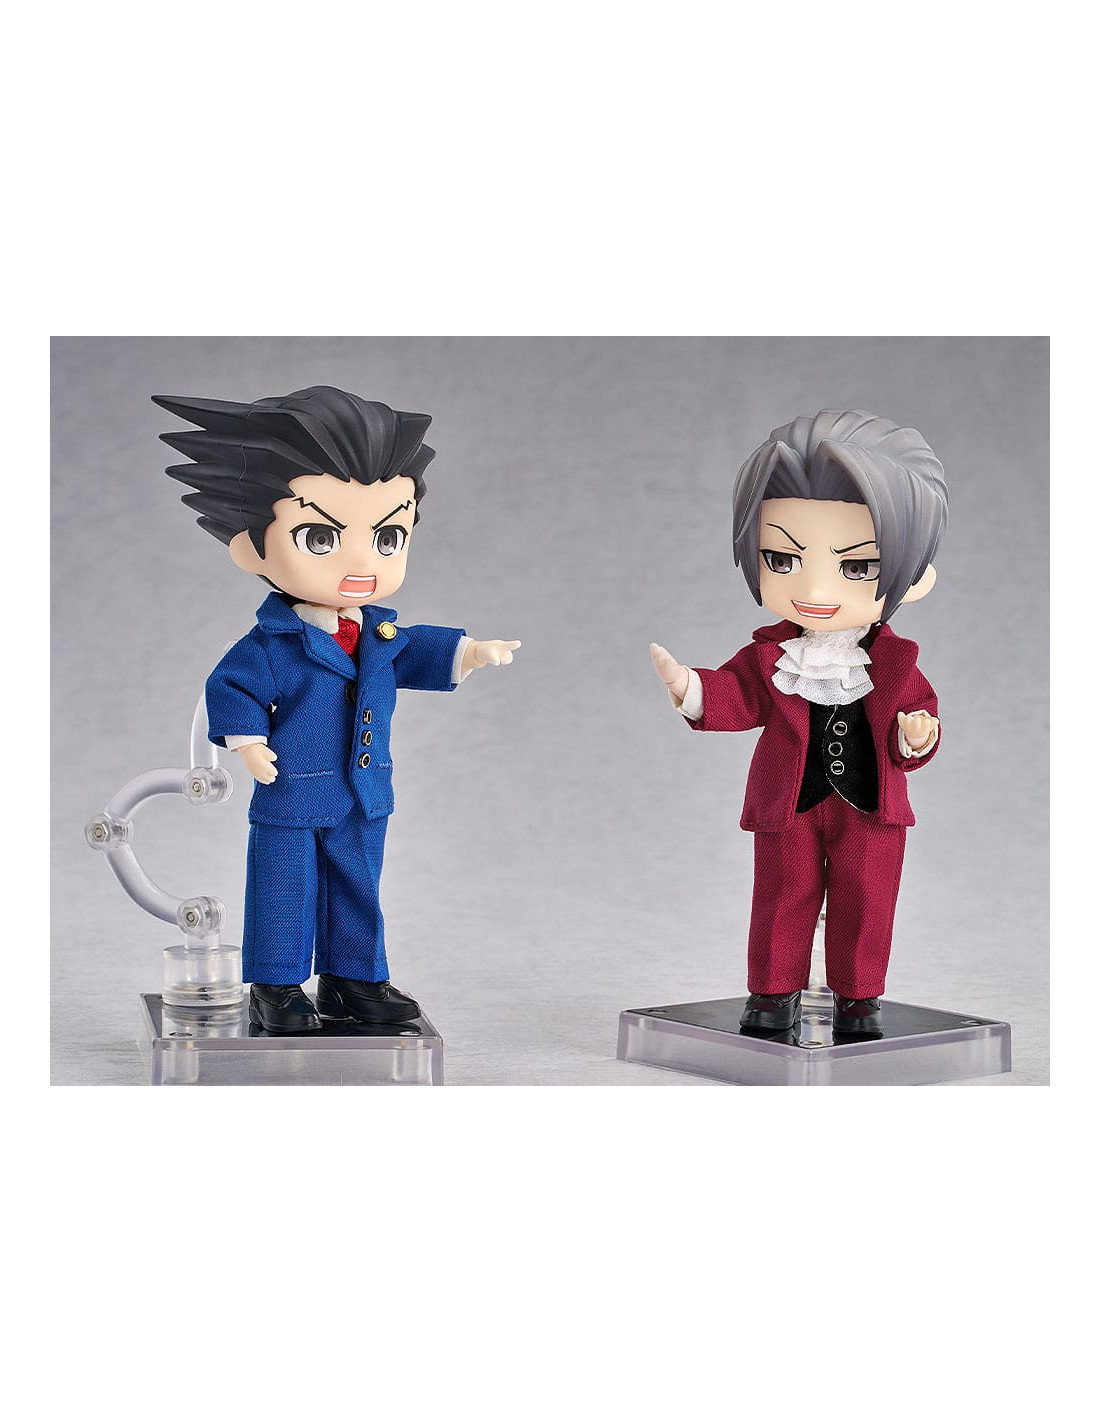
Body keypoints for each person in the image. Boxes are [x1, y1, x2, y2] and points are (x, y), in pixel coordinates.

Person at [155, 385, 520, 1033]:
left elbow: (415, 649)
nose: (361, 561)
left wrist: (469, 651)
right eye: (320, 536)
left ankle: (354, 979)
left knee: (357, 888)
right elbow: (231, 686)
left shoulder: (379, 632)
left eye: (388, 536)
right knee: (283, 889)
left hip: (362, 793)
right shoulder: (273, 642)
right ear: (251, 546)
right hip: (293, 791)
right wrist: (247, 741)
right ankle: (277, 985)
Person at [650, 410, 947, 1038]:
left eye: (857, 567)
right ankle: (772, 994)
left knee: (868, 900)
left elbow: (918, 712)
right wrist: (690, 686)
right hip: (788, 802)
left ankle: (859, 999)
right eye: (783, 558)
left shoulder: (896, 662)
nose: (815, 587)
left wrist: (916, 733)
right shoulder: (771, 655)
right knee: (782, 895)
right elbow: (738, 696)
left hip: (872, 807)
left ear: (914, 576)